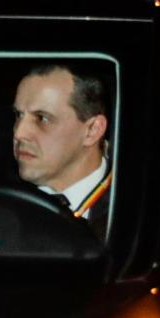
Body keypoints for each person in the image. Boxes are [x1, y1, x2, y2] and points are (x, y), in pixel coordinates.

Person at [13, 64, 111, 237]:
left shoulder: (135, 216)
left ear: (92, 130)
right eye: (18, 115)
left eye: (42, 118)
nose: (19, 133)